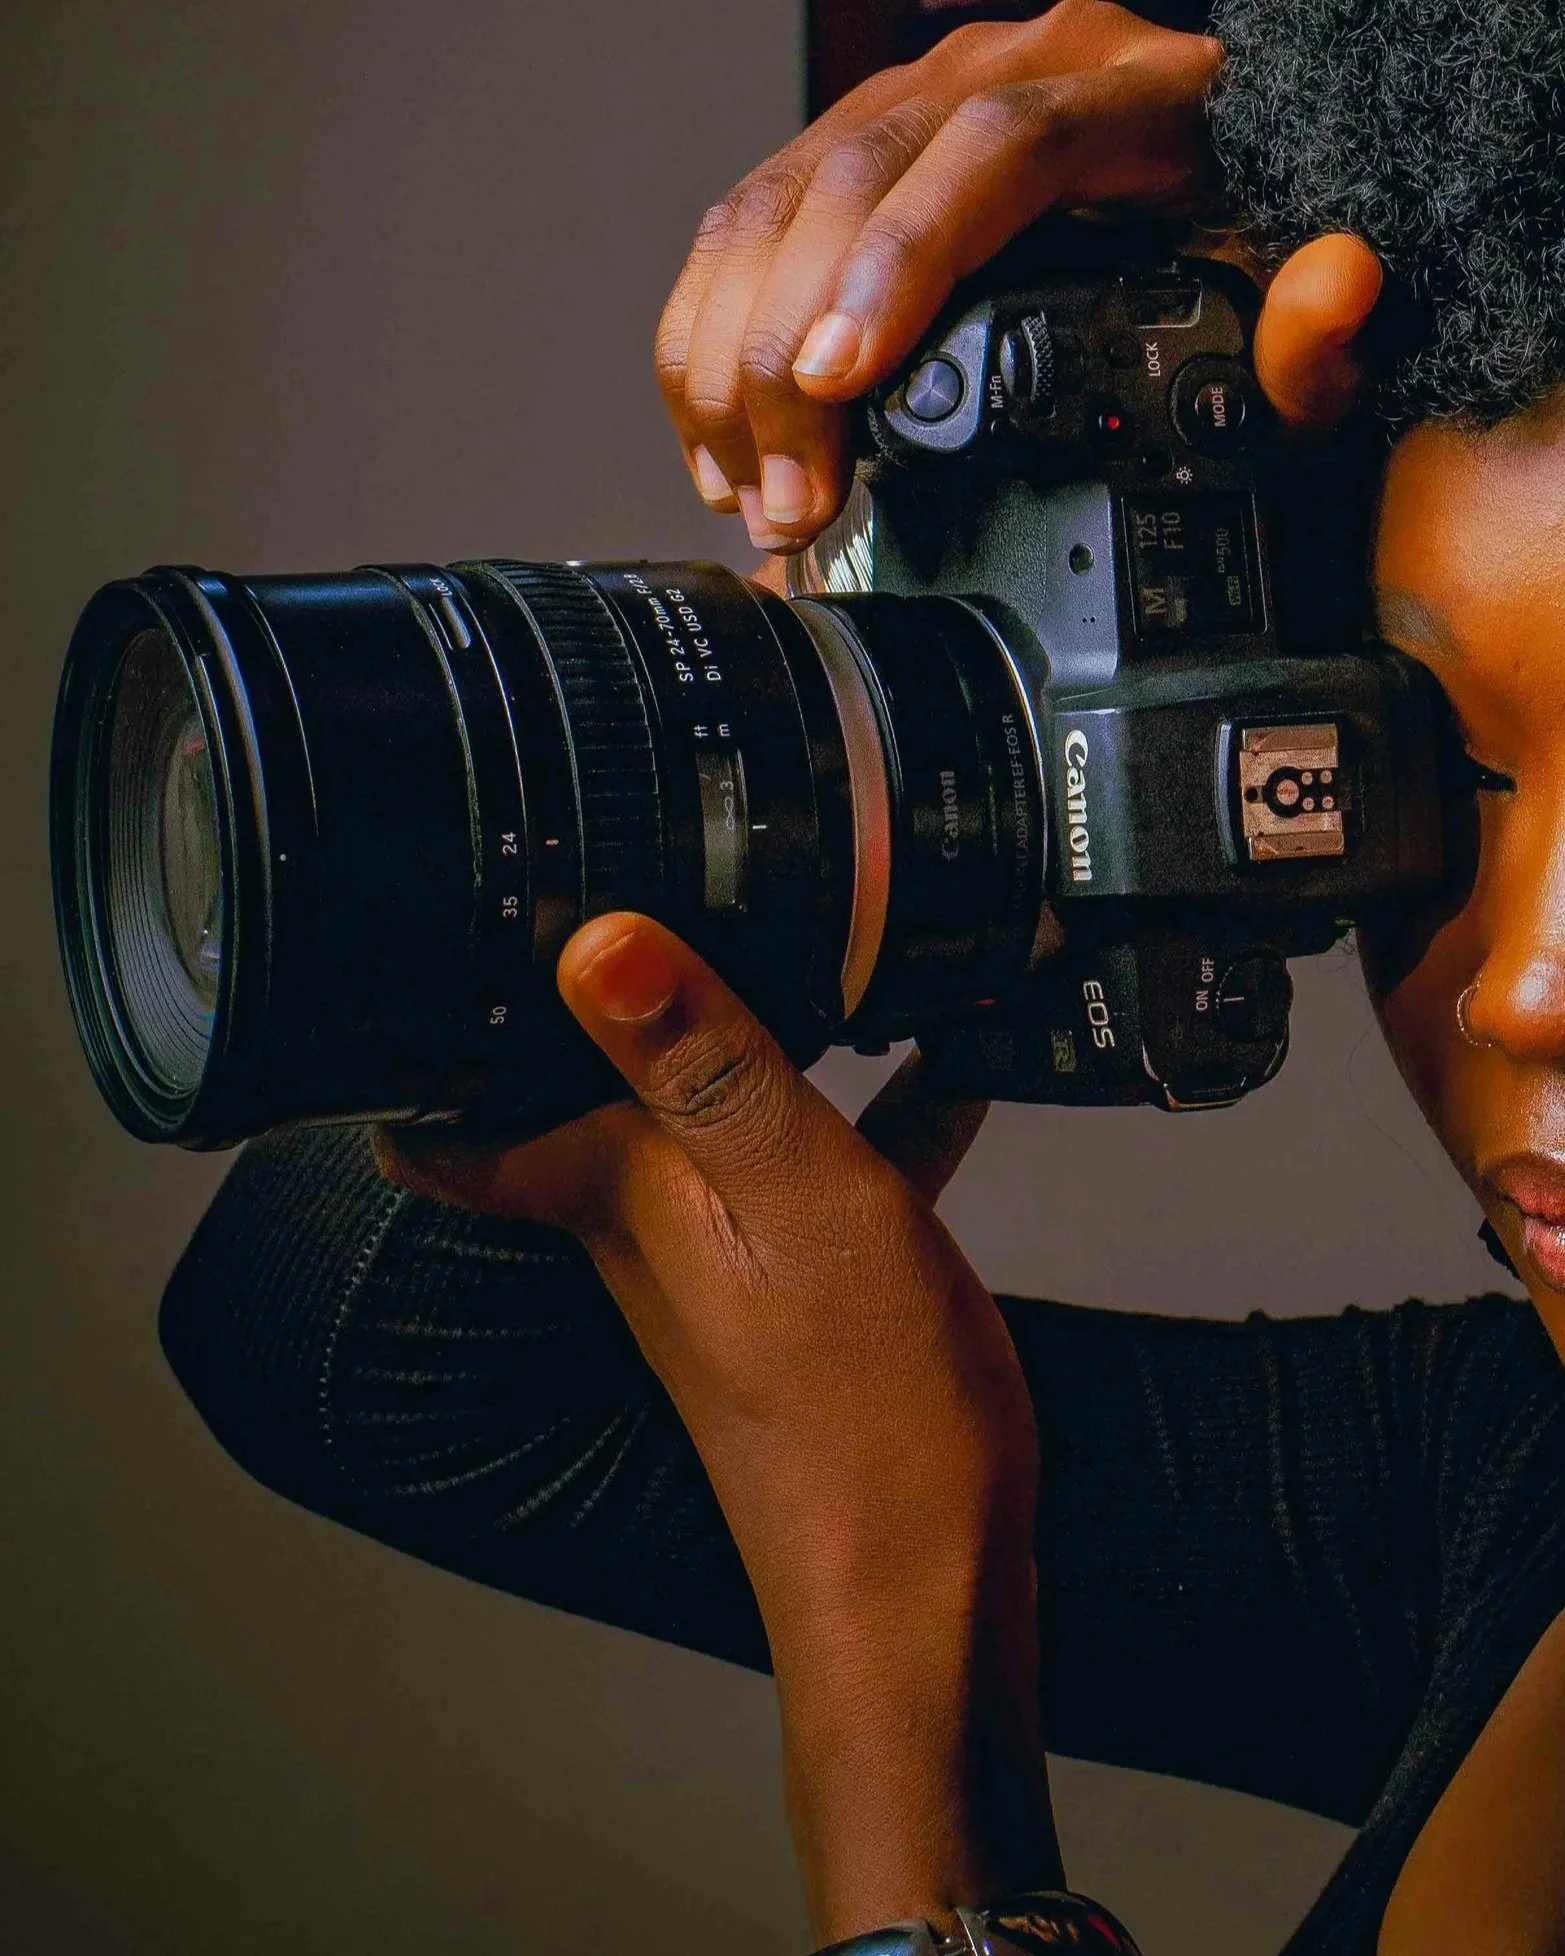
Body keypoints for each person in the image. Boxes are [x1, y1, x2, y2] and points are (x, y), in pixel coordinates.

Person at [157, 2, 1565, 1950]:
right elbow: (344, 1321)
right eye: (1456, 776)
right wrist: (828, 771)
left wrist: (888, 1639)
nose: (1522, 995)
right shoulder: (1506, 1482)